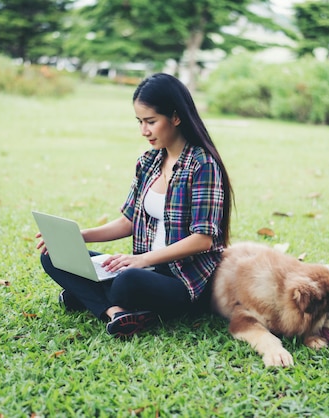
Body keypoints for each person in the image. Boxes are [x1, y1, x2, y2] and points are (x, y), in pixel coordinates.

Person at [36, 73, 233, 338]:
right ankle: (115, 312)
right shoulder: (148, 162)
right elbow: (128, 221)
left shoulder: (203, 166)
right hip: (144, 267)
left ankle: (89, 297)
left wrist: (141, 260)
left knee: (126, 281)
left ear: (175, 117)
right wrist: (78, 237)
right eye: (140, 121)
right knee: (53, 257)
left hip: (183, 280)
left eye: (151, 121)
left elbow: (202, 240)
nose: (144, 131)